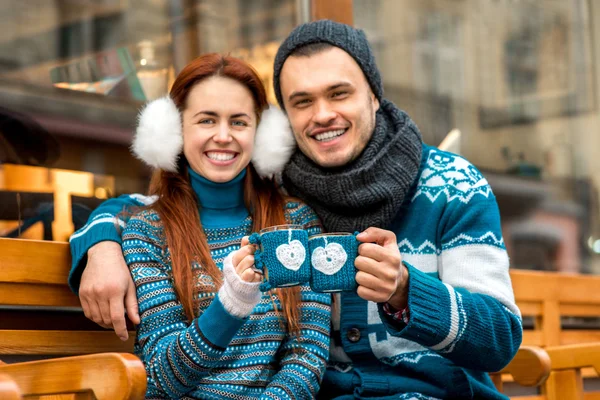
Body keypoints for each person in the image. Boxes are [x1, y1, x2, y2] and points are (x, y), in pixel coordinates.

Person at [69, 21, 522, 399]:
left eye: (339, 93)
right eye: (302, 102)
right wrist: (101, 242)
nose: (322, 114)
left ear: (374, 96)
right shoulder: (284, 187)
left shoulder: (451, 184)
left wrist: (406, 290)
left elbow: (499, 339)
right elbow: (153, 208)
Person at [97, 53, 331, 399]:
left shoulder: (296, 224)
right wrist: (231, 305)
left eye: (239, 122)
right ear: (174, 130)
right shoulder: (147, 232)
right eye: (206, 121)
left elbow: (307, 357)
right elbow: (161, 376)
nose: (223, 136)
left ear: (261, 134)